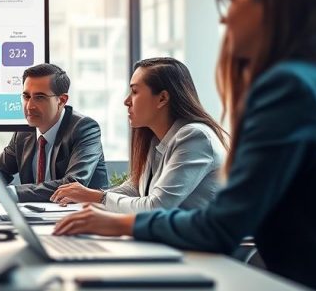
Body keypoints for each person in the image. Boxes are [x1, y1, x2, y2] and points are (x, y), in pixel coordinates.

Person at [54, 0, 316, 291]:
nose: (224, 16)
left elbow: (221, 226)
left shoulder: (291, 88)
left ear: (274, 5)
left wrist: (121, 224)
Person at [50, 57, 226, 212]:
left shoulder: (195, 137)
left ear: (162, 98)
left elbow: (156, 207)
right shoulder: (157, 138)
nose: (126, 101)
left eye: (134, 92)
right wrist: (91, 195)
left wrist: (97, 198)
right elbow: (136, 188)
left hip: (203, 247)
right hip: (168, 239)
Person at [0, 63, 108, 203]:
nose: (29, 106)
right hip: (39, 217)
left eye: (39, 98)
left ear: (62, 100)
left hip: (85, 217)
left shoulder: (85, 128)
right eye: (26, 96)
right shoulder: (24, 134)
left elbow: (73, 185)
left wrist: (7, 194)